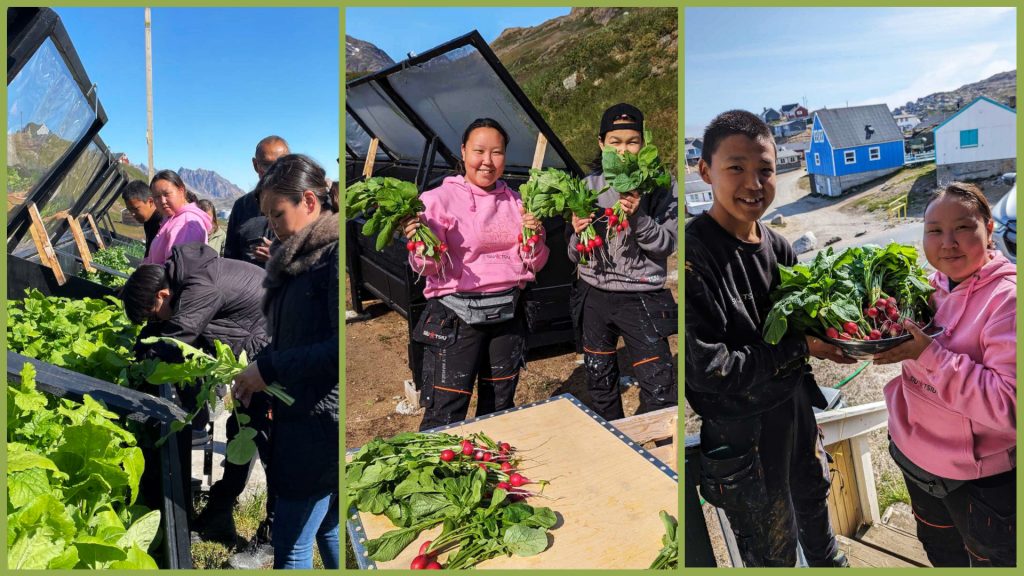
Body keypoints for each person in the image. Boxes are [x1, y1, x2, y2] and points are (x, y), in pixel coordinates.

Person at [684, 110, 853, 568]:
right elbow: (708, 370)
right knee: (770, 549)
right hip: (743, 433)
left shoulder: (777, 247)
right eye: (736, 168)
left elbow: (803, 323)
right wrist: (801, 349)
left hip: (795, 410)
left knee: (816, 512)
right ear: (705, 171)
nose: (753, 183)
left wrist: (842, 334)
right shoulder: (693, 256)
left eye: (765, 170)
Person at [874, 182, 1016, 567]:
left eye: (963, 227)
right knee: (941, 555)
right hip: (914, 460)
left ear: (989, 229)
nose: (947, 242)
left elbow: (1010, 407)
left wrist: (929, 353)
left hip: (978, 483)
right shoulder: (924, 289)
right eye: (934, 230)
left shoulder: (1008, 300)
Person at [121, 242, 273, 546]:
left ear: (163, 295)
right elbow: (171, 326)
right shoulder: (188, 278)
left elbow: (180, 334)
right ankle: (217, 514)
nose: (156, 320)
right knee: (241, 433)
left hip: (270, 354)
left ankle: (273, 538)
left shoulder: (199, 286)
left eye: (153, 313)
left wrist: (142, 354)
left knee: (272, 446)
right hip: (256, 351)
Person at [401, 118, 548, 431]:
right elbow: (427, 267)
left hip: (508, 313)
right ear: (463, 152)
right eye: (479, 151)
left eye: (496, 152)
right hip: (455, 318)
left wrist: (535, 238)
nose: (487, 161)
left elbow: (532, 264)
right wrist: (420, 245)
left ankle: (487, 469)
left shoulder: (518, 202)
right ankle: (436, 478)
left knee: (499, 406)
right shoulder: (437, 200)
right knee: (446, 410)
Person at [231, 154, 339, 569]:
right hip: (303, 412)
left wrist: (270, 369)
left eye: (277, 214)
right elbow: (292, 336)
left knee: (292, 543)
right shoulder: (298, 255)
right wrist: (257, 369)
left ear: (309, 202)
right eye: (267, 217)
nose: (271, 227)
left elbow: (334, 351)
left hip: (317, 419)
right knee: (326, 525)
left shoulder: (327, 259)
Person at [568, 103, 678, 421]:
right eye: (615, 142)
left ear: (643, 145)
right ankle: (616, 444)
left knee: (659, 387)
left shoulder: (661, 185)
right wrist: (577, 234)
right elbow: (573, 254)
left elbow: (665, 245)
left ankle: (664, 461)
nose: (623, 150)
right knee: (600, 384)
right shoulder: (587, 187)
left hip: (642, 296)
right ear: (602, 143)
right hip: (594, 295)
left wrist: (638, 216)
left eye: (632, 142)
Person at [224, 135, 290, 266]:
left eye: (281, 164)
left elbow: (319, 259)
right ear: (255, 165)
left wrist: (281, 257)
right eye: (267, 165)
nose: (274, 171)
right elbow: (230, 257)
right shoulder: (242, 206)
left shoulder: (304, 203)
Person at [143, 170, 212, 265]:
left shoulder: (186, 224)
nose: (162, 201)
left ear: (181, 191)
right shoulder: (171, 218)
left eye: (166, 194)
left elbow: (176, 269)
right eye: (157, 197)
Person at [121, 179, 164, 257]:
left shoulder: (162, 224)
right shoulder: (148, 220)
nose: (132, 214)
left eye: (136, 209)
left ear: (150, 201)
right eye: (130, 210)